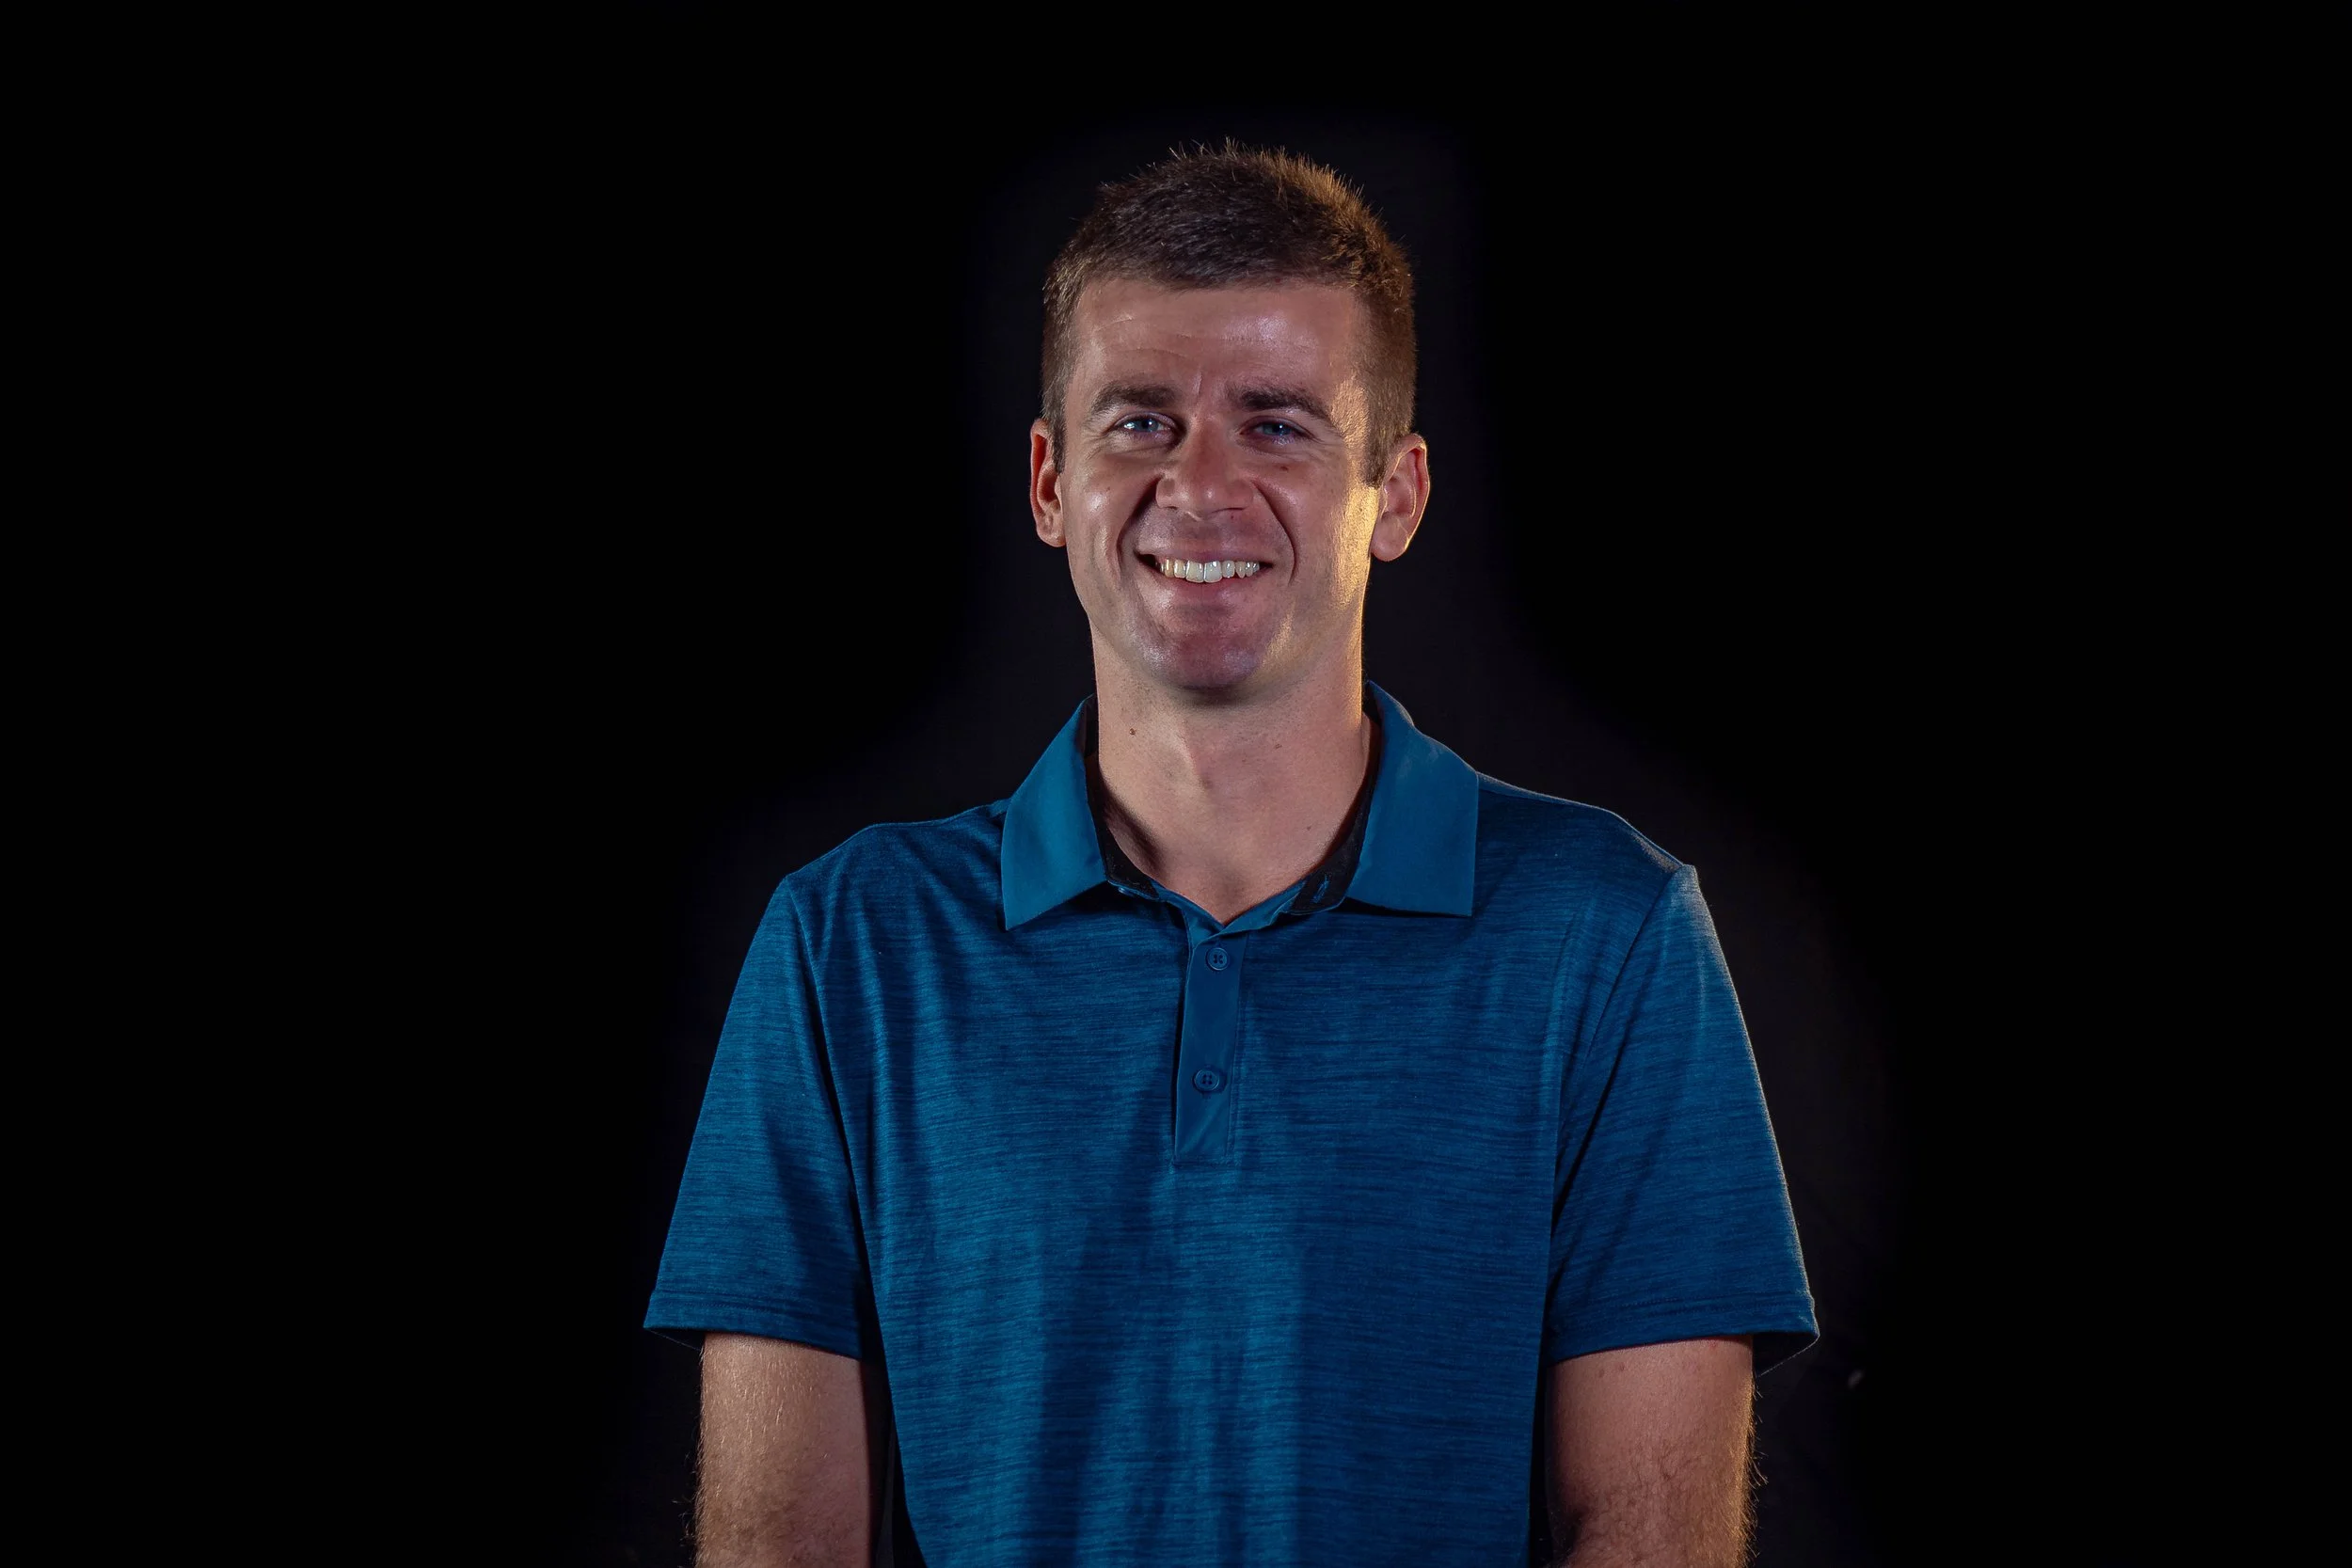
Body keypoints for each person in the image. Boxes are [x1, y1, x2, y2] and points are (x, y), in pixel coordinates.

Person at [645, 142, 1815, 1568]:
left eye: (1278, 425)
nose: (1201, 485)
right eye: (1141, 421)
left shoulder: (1611, 935)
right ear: (1048, 479)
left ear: (1396, 493)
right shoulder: (848, 950)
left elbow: (1651, 1548)